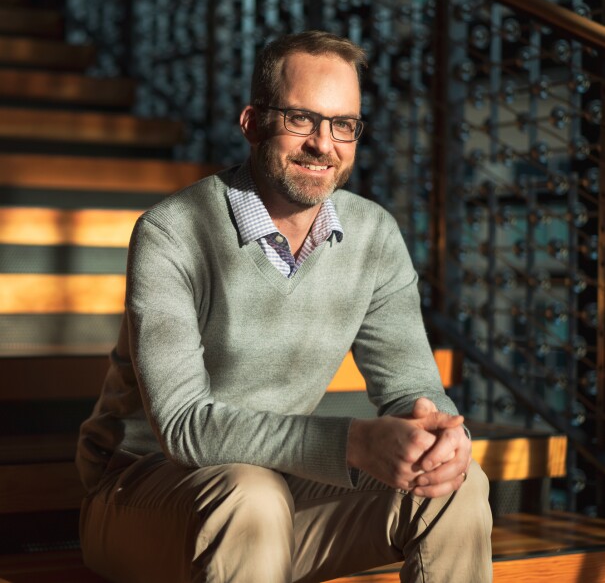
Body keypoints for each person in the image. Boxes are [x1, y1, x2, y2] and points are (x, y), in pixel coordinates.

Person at [76, 31, 492, 583]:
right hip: (147, 494)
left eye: (344, 125)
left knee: (455, 486)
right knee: (251, 500)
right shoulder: (173, 231)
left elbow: (412, 388)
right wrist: (354, 441)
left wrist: (440, 439)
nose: (325, 144)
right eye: (301, 119)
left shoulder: (373, 234)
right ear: (252, 122)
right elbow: (182, 427)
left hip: (280, 491)